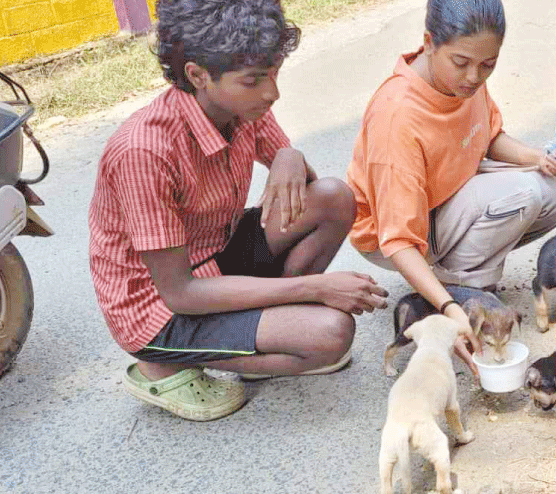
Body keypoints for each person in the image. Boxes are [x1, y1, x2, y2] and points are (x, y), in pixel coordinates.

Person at [88, 0, 387, 421]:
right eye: (254, 80)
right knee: (332, 334)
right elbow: (180, 292)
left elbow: (301, 179)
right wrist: (315, 289)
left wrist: (289, 153)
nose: (272, 93)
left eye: (274, 74)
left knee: (335, 196)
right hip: (161, 306)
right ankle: (163, 365)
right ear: (197, 75)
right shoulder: (144, 151)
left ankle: (264, 331)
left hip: (214, 252)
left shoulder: (240, 105)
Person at [346, 0, 556, 370]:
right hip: (391, 236)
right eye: (462, 63)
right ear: (429, 43)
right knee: (528, 194)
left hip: (445, 197)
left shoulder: (462, 85)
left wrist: (539, 158)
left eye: (488, 65)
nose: (474, 77)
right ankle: (461, 292)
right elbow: (398, 240)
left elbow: (487, 136)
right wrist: (449, 307)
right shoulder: (397, 117)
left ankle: (455, 278)